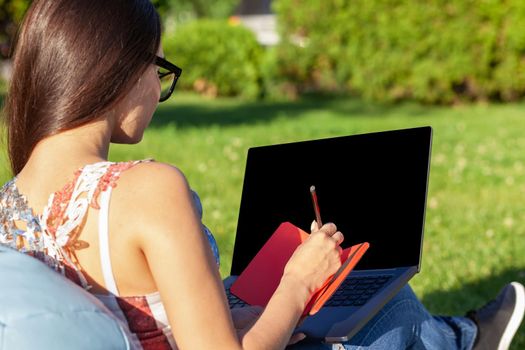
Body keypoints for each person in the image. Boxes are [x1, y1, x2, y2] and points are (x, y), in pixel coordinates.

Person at [0, 0, 523, 349]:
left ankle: (459, 336)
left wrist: (251, 311)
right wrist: (297, 285)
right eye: (159, 70)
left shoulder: (10, 206)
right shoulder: (145, 190)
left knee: (335, 306)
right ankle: (462, 338)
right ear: (116, 69)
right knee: (374, 313)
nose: (159, 91)